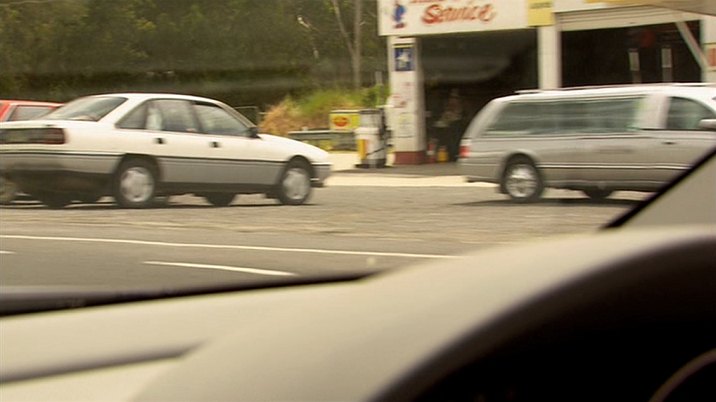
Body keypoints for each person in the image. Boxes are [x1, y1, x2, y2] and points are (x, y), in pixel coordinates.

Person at [433, 89, 464, 161]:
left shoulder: (461, 109)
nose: (452, 100)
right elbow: (442, 121)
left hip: (456, 129)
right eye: (451, 98)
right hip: (446, 130)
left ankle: (453, 154)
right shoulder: (447, 109)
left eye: (455, 98)